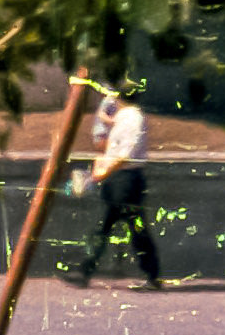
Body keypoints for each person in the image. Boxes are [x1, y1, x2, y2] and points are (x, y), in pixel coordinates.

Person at [65, 84, 159, 287]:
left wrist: (102, 173)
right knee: (130, 228)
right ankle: (151, 274)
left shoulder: (132, 118)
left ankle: (85, 271)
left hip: (125, 179)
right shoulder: (126, 116)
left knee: (109, 226)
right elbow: (112, 130)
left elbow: (126, 153)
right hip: (122, 179)